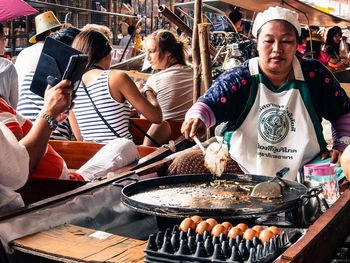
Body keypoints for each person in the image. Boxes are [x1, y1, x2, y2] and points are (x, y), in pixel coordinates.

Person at [181, 6, 350, 181]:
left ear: (296, 45)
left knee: (343, 172)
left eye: (286, 41)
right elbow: (212, 103)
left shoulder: (314, 74)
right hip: (242, 167)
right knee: (185, 164)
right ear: (257, 44)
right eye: (269, 41)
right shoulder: (241, 76)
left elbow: (342, 111)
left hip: (305, 167)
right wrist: (198, 117)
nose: (277, 49)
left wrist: (342, 145)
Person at [71, 30, 162, 144]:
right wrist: (149, 92)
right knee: (164, 125)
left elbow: (80, 137)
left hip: (91, 156)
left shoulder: (70, 86)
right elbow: (157, 118)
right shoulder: (117, 77)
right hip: (122, 155)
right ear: (108, 54)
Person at [0, 79, 72, 212]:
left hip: (51, 188)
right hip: (52, 191)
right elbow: (19, 171)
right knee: (122, 144)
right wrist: (49, 113)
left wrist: (52, 117)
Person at [17, 26, 80, 141]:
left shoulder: (29, 75)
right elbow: (81, 136)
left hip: (23, 140)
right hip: (56, 147)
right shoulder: (69, 84)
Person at [142, 29, 193, 146]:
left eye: (151, 52)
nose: (147, 58)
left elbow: (145, 117)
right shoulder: (196, 73)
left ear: (169, 52)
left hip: (165, 138)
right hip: (190, 136)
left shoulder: (154, 80)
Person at [15, 11, 62, 87]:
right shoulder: (52, 53)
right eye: (59, 31)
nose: (61, 35)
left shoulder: (23, 53)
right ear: (51, 33)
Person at [0, 23, 18, 108]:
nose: (5, 42)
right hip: (5, 119)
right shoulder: (7, 67)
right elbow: (14, 105)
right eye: (4, 38)